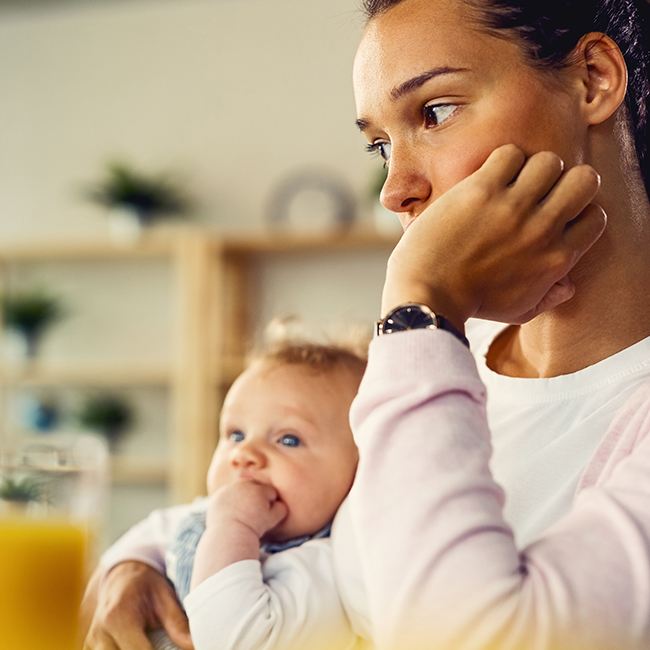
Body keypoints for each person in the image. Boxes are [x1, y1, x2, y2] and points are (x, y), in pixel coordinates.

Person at [82, 0, 650, 648]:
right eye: (381, 144)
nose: (394, 188)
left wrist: (421, 302)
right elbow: (279, 497)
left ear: (594, 79)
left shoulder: (425, 337)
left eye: (434, 112)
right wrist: (135, 564)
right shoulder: (441, 354)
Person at [82, 335, 365, 650]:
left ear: (360, 470)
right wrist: (131, 563)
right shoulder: (203, 516)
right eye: (236, 434)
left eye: (288, 440)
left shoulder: (323, 568)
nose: (244, 453)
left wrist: (233, 528)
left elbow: (236, 641)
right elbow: (135, 544)